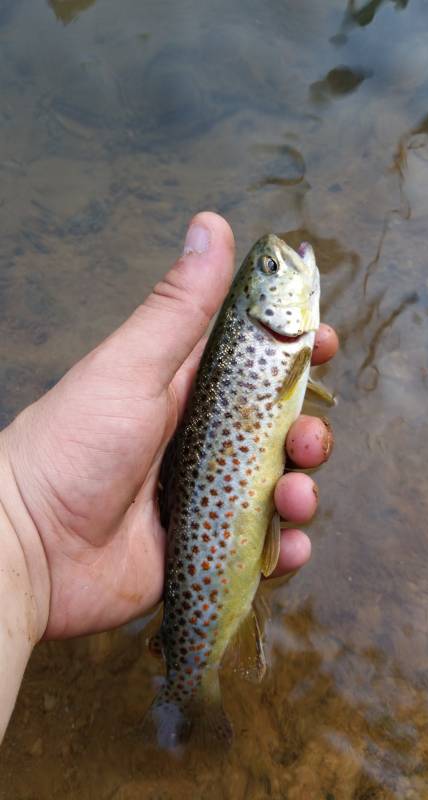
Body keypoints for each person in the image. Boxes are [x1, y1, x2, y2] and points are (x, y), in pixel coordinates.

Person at [0, 212, 338, 742]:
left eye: (268, 265)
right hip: (191, 530)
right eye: (272, 268)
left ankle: (187, 689)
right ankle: (191, 691)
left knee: (282, 513)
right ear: (261, 309)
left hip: (194, 529)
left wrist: (22, 526)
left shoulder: (282, 348)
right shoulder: (287, 351)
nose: (282, 262)